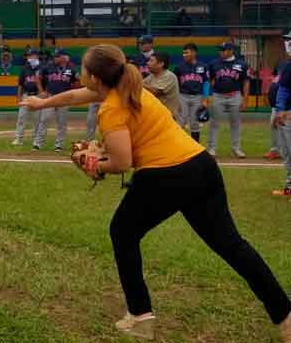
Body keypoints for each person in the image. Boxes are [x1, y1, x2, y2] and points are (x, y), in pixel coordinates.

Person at [20, 44, 291, 341]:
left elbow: (123, 162)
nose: (80, 73)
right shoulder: (128, 89)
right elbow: (75, 95)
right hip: (200, 166)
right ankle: (286, 315)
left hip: (166, 174)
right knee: (232, 246)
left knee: (122, 232)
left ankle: (140, 317)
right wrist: (40, 103)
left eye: (83, 69)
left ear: (95, 77)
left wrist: (96, 164)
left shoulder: (111, 107)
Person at [207, 42, 249, 159]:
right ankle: (212, 148)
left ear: (231, 50)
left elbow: (246, 82)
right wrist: (209, 95)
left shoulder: (241, 64)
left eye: (223, 50)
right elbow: (210, 79)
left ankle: (236, 149)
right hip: (218, 95)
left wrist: (245, 99)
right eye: (220, 50)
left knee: (235, 123)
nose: (220, 52)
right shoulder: (214, 63)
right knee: (214, 123)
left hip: (235, 95)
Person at [34, 49, 79, 152]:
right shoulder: (49, 66)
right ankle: (37, 144)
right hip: (51, 97)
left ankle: (59, 145)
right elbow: (38, 77)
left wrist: (71, 94)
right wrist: (41, 91)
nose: (54, 58)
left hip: (64, 99)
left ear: (63, 57)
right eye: (54, 56)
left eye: (57, 56)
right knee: (44, 120)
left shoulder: (72, 69)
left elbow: (77, 82)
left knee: (62, 123)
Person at [173, 43, 209, 142]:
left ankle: (195, 147)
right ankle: (179, 145)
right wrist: (175, 99)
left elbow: (206, 83)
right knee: (181, 121)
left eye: (186, 52)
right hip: (182, 96)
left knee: (195, 123)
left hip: (197, 97)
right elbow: (175, 84)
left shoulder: (203, 66)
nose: (184, 55)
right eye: (183, 53)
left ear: (193, 53)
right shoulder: (179, 67)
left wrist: (205, 99)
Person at [271, 30, 291, 196]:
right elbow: (283, 90)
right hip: (287, 116)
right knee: (286, 152)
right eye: (287, 41)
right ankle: (289, 187)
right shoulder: (288, 66)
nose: (288, 44)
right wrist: (279, 111)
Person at [12, 49, 44, 147]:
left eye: (32, 56)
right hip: (26, 96)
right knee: (21, 118)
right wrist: (19, 97)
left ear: (37, 56)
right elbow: (20, 85)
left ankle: (36, 140)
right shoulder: (24, 68)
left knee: (37, 120)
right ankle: (19, 139)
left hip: (37, 95)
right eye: (29, 56)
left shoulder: (43, 68)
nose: (30, 58)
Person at [143, 52, 180, 117]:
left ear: (161, 64)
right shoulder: (152, 76)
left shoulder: (169, 76)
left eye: (151, 61)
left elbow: (155, 91)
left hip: (168, 117)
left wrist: (137, 82)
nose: (147, 63)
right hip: (158, 115)